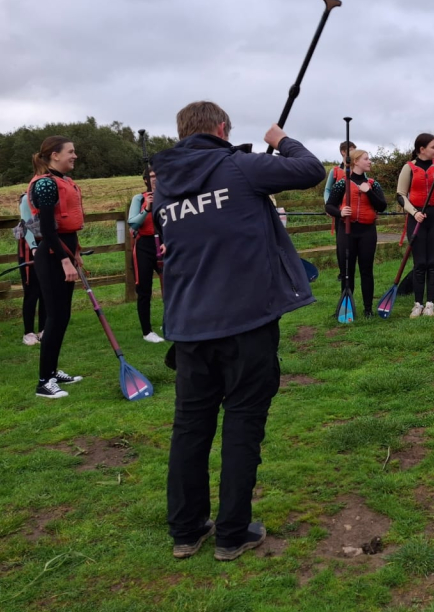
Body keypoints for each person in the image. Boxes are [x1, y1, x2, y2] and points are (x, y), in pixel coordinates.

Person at [153, 100, 325, 561]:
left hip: (189, 326)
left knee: (190, 426)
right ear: (222, 129)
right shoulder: (240, 167)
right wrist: (279, 141)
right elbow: (310, 170)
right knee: (243, 420)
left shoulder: (164, 187)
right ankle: (232, 532)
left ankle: (186, 530)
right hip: (245, 322)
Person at [27, 136, 84, 399]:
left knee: (62, 317)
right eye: (70, 152)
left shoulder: (63, 182)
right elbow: (48, 230)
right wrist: (64, 260)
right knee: (55, 317)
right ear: (54, 155)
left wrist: (76, 254)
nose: (74, 156)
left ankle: (51, 371)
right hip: (51, 257)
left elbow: (67, 228)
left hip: (64, 252)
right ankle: (43, 382)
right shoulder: (46, 185)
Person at [396, 134, 434, 317]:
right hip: (417, 217)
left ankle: (430, 303)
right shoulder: (409, 168)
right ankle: (417, 303)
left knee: (432, 262)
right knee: (420, 262)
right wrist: (414, 212)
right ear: (421, 149)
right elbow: (400, 195)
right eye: (433, 147)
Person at [326, 149, 387, 317]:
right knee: (347, 271)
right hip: (347, 232)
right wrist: (340, 212)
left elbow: (382, 206)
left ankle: (368, 309)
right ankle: (346, 308)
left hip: (367, 232)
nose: (369, 161)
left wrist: (369, 191)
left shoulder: (373, 184)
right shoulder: (342, 183)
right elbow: (329, 205)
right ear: (355, 162)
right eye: (366, 159)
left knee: (366, 270)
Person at [128, 167, 164, 343]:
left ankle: (169, 323)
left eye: (157, 175)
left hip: (164, 244)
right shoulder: (139, 198)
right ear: (145, 181)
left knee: (171, 288)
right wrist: (147, 209)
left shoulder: (168, 195)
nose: (155, 179)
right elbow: (132, 224)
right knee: (144, 289)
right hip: (145, 245)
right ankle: (147, 331)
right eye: (151, 177)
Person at [324, 140, 357, 276]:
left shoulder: (358, 169)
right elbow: (327, 189)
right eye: (352, 150)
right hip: (340, 212)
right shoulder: (335, 171)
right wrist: (329, 207)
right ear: (343, 152)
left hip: (354, 211)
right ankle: (342, 271)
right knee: (341, 241)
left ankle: (353, 267)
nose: (355, 152)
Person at [17, 192, 46, 346]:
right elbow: (26, 224)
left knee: (45, 290)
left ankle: (43, 329)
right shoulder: (26, 199)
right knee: (31, 291)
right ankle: (28, 332)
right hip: (29, 249)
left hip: (46, 245)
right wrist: (34, 248)